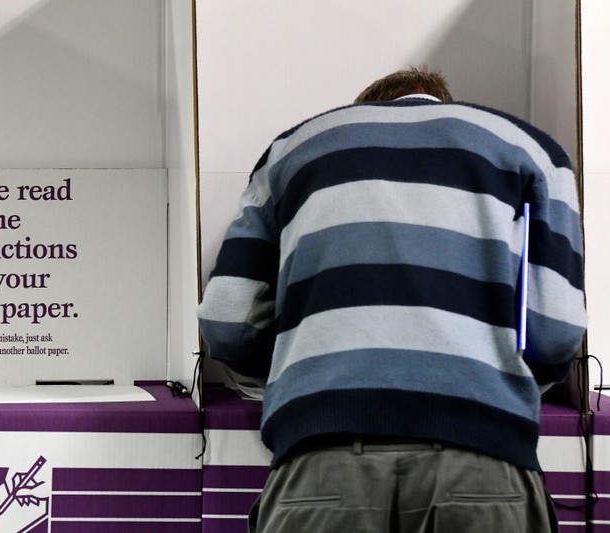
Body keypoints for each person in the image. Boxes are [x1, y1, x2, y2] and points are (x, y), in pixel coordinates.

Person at [197, 66, 586, 532]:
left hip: (322, 457)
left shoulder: (292, 149)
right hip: (484, 457)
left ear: (367, 110)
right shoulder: (529, 149)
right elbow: (558, 331)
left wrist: (305, 369)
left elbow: (226, 322)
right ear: (443, 102)